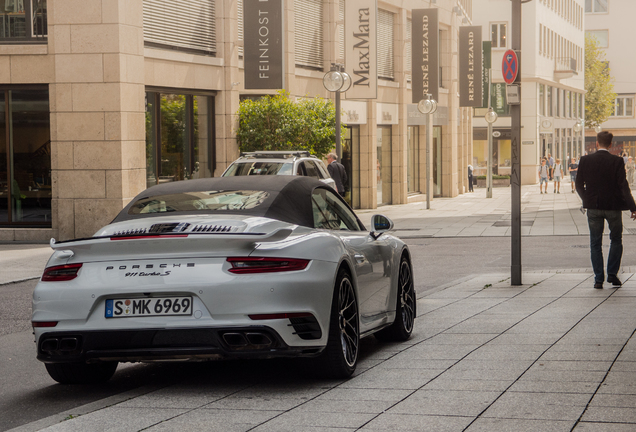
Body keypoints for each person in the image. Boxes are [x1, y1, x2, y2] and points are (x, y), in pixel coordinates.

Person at [575, 131, 636, 289]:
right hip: (613, 207)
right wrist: (632, 207)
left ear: (597, 143)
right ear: (610, 144)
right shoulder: (616, 161)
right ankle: (612, 274)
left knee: (595, 243)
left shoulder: (585, 160)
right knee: (616, 240)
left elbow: (578, 184)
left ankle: (598, 279)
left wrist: (586, 199)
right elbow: (624, 186)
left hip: (593, 207)